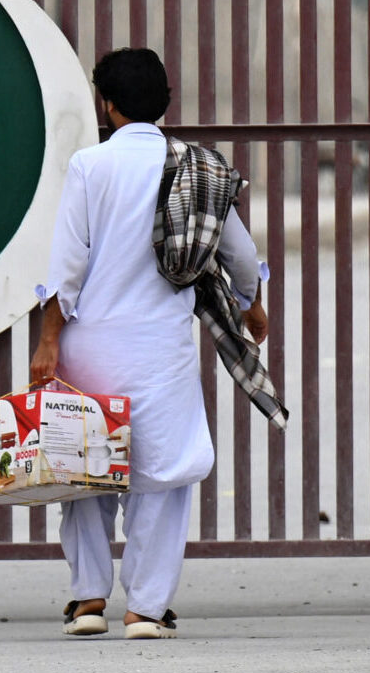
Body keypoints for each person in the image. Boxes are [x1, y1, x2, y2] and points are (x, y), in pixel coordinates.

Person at [29, 47, 271, 641]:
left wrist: (47, 341)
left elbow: (68, 266)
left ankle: (88, 599)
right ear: (164, 102)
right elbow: (238, 254)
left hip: (91, 346)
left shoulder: (90, 166)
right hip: (161, 350)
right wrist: (251, 304)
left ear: (105, 104)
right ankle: (145, 608)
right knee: (161, 478)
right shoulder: (202, 168)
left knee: (85, 471)